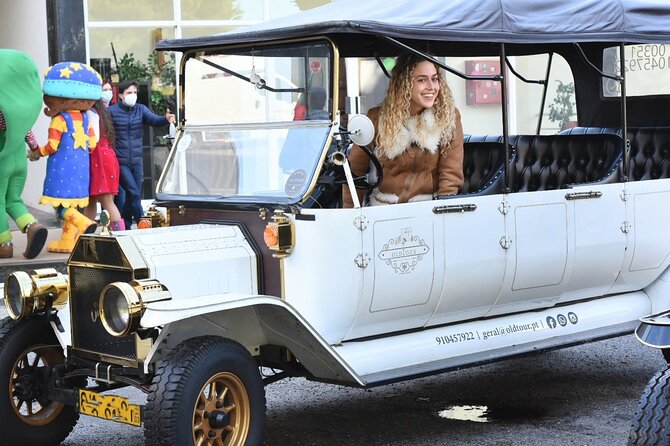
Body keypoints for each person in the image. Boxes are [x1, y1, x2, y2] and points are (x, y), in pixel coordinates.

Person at [343, 53, 464, 207]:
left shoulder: (448, 116)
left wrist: (443, 214)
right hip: (383, 212)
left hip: (427, 211)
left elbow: (451, 176)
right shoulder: (377, 118)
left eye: (435, 79)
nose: (431, 87)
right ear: (404, 83)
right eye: (422, 80)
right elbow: (354, 172)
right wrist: (350, 214)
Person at [31, 61, 101, 253]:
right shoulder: (86, 118)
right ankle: (68, 240)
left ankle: (84, 223)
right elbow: (92, 143)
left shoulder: (59, 120)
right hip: (80, 170)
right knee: (72, 203)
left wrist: (38, 152)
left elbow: (52, 146)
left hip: (61, 170)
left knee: (62, 208)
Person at [0, 49, 48, 259]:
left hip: (2, 159)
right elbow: (29, 135)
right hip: (20, 160)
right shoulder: (20, 113)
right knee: (12, 199)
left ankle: (4, 244)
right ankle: (31, 226)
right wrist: (36, 149)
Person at [108, 80, 175, 229]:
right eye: (129, 93)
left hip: (136, 159)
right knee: (133, 192)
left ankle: (125, 224)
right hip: (120, 160)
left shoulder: (141, 109)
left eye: (134, 93)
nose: (132, 95)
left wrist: (165, 119)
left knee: (133, 193)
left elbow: (154, 120)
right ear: (120, 95)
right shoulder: (112, 112)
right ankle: (141, 221)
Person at [84, 98, 124, 231]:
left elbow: (92, 140)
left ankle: (120, 236)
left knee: (105, 201)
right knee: (92, 201)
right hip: (106, 156)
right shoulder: (101, 112)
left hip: (98, 158)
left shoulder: (91, 113)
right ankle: (86, 236)